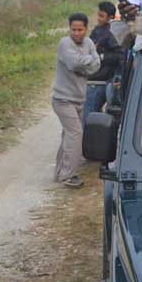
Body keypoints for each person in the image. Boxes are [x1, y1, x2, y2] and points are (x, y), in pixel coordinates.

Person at [52, 13, 101, 188]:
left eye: (80, 30)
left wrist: (86, 63)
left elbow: (97, 66)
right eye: (74, 29)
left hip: (79, 98)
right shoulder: (65, 43)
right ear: (69, 29)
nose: (77, 33)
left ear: (86, 29)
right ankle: (68, 175)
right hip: (62, 99)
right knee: (75, 134)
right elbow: (74, 64)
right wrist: (89, 61)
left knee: (68, 135)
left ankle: (59, 172)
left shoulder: (89, 43)